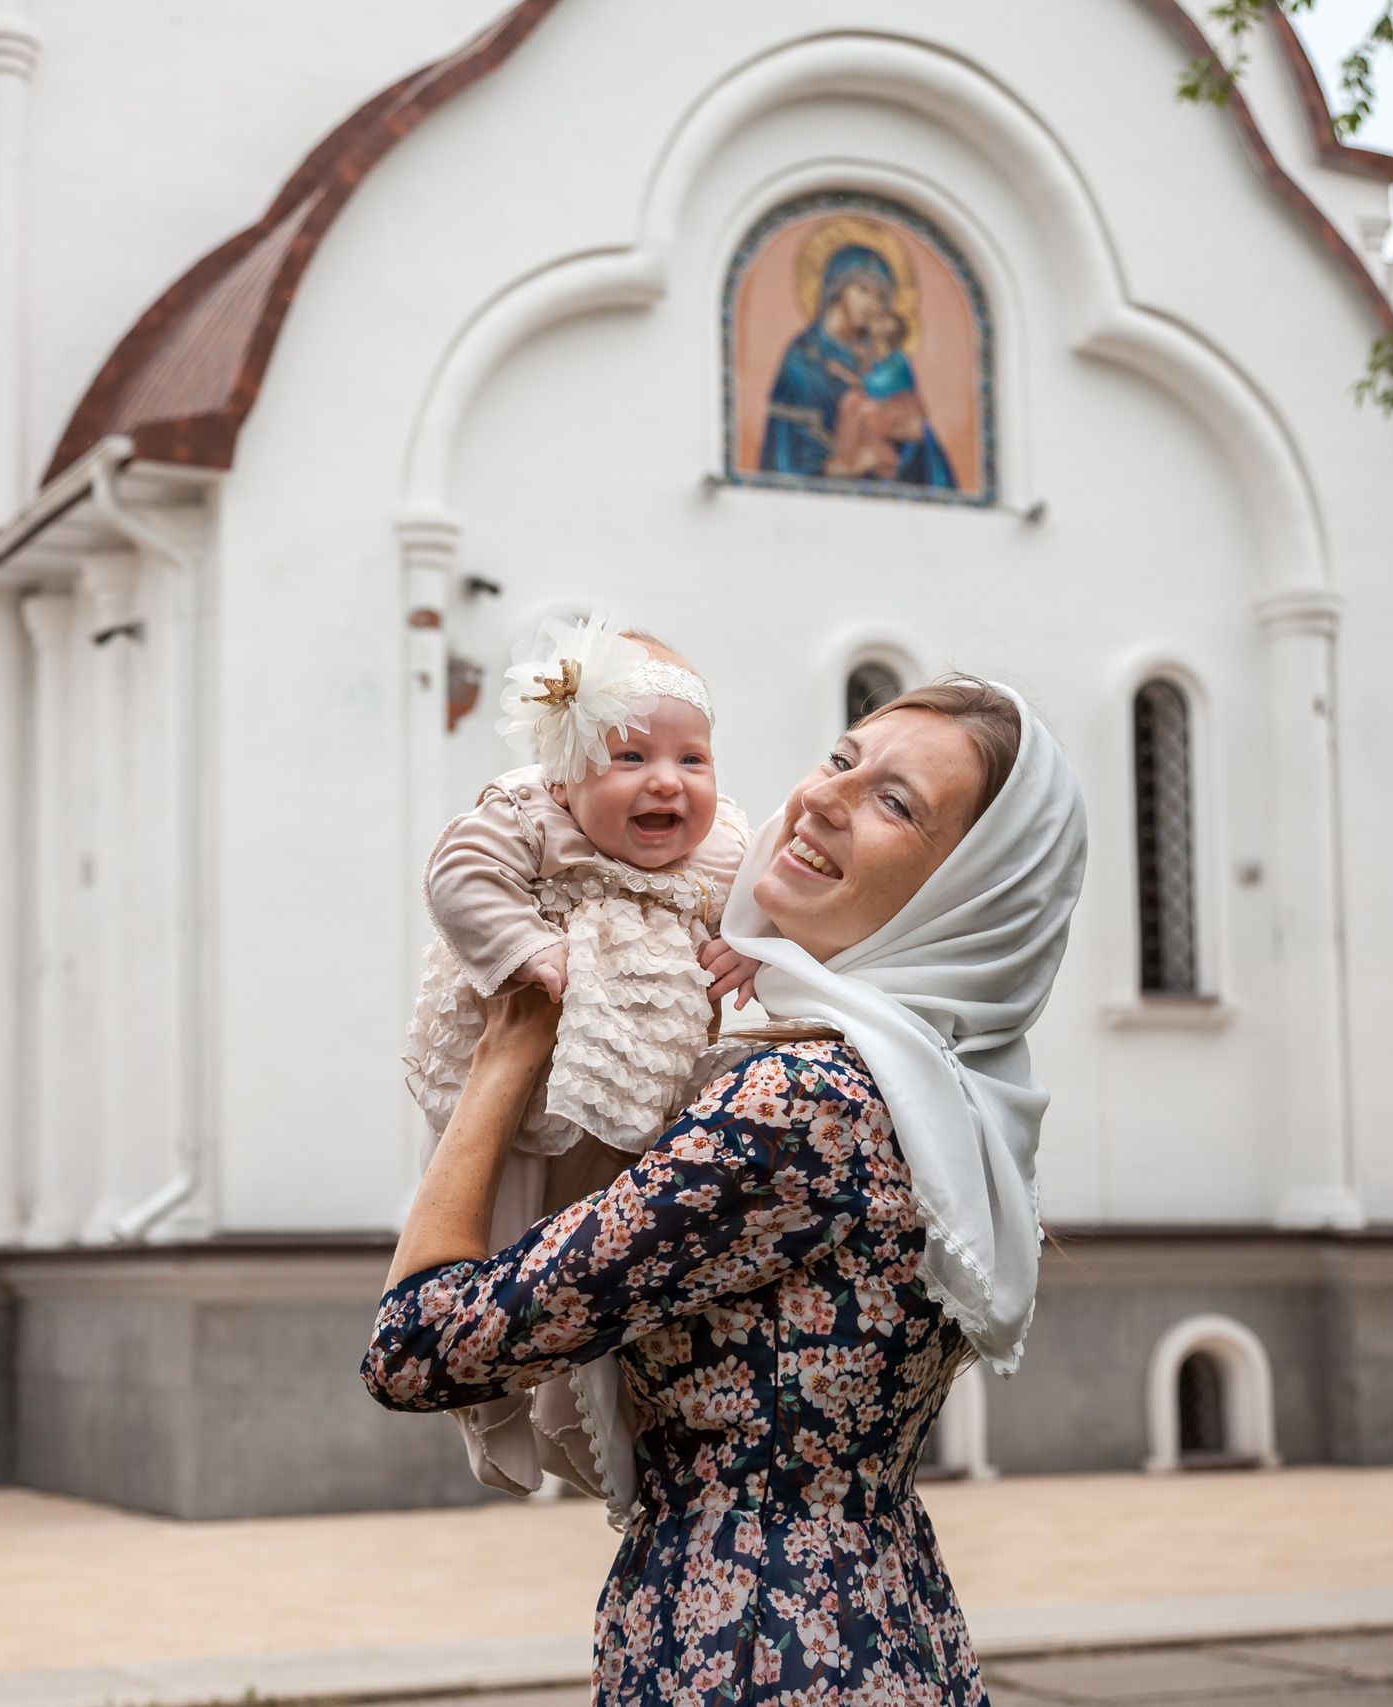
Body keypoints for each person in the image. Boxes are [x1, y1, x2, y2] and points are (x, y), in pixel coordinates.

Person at [364, 677, 1087, 1706]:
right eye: (841, 759)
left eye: (895, 803)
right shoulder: (937, 1093)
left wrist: (505, 1052)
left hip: (751, 1646)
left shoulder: (803, 1105)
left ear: (966, 893)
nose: (825, 797)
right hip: (889, 1624)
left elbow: (418, 1348)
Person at [402, 614, 759, 1502]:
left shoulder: (725, 846)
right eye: (629, 757)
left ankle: (577, 1424)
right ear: (564, 772)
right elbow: (458, 874)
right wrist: (524, 947)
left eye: (692, 758)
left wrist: (750, 946)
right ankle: (488, 1411)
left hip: (633, 1097)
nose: (667, 781)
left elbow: (764, 910)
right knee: (496, 1244)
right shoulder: (528, 810)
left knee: (595, 1267)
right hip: (522, 1102)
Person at [760, 243, 957, 489]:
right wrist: (838, 467)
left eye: (880, 298)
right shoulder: (802, 358)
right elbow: (785, 451)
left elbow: (913, 428)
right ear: (837, 288)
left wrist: (917, 437)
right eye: (863, 290)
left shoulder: (885, 357)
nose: (872, 304)